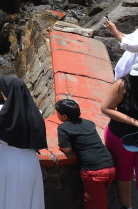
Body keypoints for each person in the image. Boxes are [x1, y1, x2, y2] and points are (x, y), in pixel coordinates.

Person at [0, 76, 45, 209]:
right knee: (27, 200)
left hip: (5, 160)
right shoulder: (37, 113)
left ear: (6, 93)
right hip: (30, 162)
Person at [55, 98, 116, 209]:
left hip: (94, 173)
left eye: (57, 113)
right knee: (100, 199)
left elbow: (67, 149)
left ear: (64, 116)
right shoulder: (89, 123)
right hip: (110, 166)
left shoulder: (63, 127)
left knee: (94, 204)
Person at [100, 63, 138, 208]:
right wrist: (134, 122)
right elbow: (105, 108)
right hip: (121, 137)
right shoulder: (123, 85)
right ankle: (127, 206)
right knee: (124, 173)